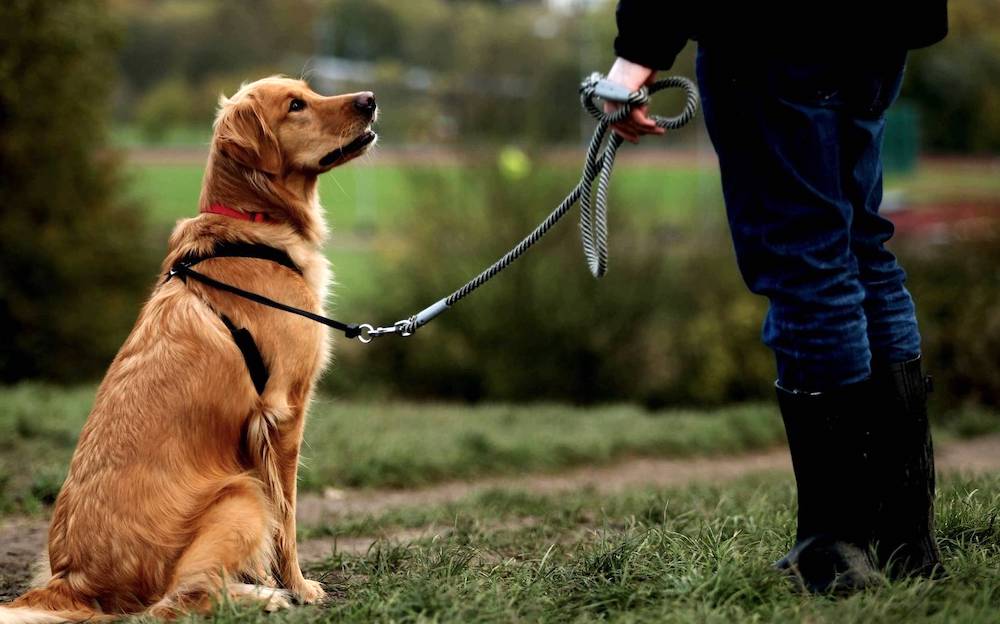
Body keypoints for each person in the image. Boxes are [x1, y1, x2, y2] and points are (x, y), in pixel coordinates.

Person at [606, 2, 949, 593]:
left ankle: (836, 550)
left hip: (768, 32)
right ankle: (904, 541)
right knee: (864, 252)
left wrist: (638, 52)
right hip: (880, 29)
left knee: (808, 267)